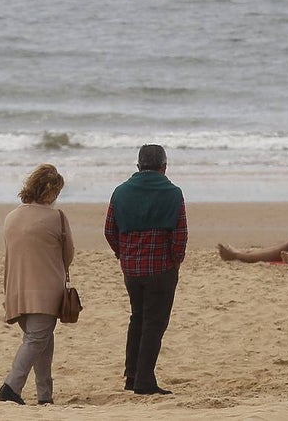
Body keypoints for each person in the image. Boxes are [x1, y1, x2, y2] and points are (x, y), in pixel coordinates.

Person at [104, 144, 187, 396]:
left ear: (138, 166)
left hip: (131, 269)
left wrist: (122, 253)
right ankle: (144, 380)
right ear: (164, 167)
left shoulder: (120, 192)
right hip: (161, 268)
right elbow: (180, 234)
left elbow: (109, 231)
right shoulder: (173, 193)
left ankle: (132, 375)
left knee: (137, 318)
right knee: (154, 323)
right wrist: (175, 260)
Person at [0, 164, 74, 406]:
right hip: (45, 292)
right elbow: (68, 255)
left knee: (42, 341)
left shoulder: (11, 217)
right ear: (50, 191)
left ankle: (45, 395)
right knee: (36, 341)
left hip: (16, 290)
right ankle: (11, 386)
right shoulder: (56, 218)